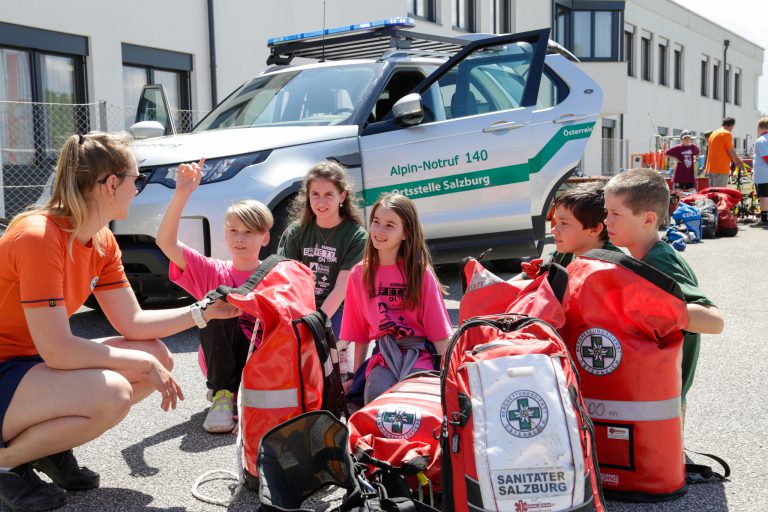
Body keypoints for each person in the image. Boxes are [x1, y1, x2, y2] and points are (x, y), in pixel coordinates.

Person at [0, 132, 239, 512]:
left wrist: (202, 312)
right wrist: (139, 363)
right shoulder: (38, 236)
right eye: (136, 179)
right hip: (8, 369)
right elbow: (59, 349)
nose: (137, 188)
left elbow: (133, 322)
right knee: (114, 392)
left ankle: (46, 449)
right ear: (111, 183)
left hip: (32, 367)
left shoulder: (102, 241)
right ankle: (6, 464)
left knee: (156, 354)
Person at [156, 160, 273, 433]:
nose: (240, 238)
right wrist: (182, 192)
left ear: (265, 238)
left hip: (261, 363)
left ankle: (247, 395)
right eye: (234, 230)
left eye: (249, 232)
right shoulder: (212, 270)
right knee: (218, 299)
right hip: (220, 361)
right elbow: (165, 243)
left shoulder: (275, 273)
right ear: (225, 233)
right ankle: (223, 394)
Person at [603, 169, 724, 409]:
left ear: (647, 220)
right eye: (607, 212)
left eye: (615, 213)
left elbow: (713, 321)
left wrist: (641, 306)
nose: (607, 220)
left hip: (666, 402)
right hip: (661, 395)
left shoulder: (659, 262)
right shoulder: (648, 255)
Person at [340, 193, 453, 405]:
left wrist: (450, 375)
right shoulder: (359, 273)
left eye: (389, 225)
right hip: (384, 353)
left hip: (420, 352)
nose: (379, 231)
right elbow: (360, 333)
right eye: (376, 222)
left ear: (405, 233)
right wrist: (356, 377)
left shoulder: (419, 272)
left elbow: (439, 333)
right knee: (376, 397)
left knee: (416, 400)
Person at [277, 161, 368, 339]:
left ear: (342, 197)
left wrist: (318, 320)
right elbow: (288, 280)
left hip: (339, 310)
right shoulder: (296, 231)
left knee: (321, 347)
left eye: (328, 194)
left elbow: (342, 288)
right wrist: (299, 316)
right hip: (301, 306)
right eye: (315, 194)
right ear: (308, 196)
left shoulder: (356, 236)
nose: (321, 201)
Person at [510, 182, 620, 281]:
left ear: (594, 229)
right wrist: (537, 274)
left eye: (564, 223)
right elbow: (518, 281)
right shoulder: (565, 252)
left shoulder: (614, 270)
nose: (553, 230)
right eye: (555, 221)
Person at [704, 117, 744, 188]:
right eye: (732, 128)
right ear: (730, 125)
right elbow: (731, 151)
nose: (731, 130)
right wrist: (739, 162)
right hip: (720, 169)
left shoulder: (713, 134)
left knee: (712, 194)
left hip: (710, 168)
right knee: (719, 194)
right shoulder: (726, 134)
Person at [750, 116, 768, 227]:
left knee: (763, 196)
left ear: (760, 128)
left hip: (763, 175)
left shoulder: (761, 140)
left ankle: (764, 219)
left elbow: (766, 156)